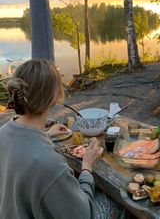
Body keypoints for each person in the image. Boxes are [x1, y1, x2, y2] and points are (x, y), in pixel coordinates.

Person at [0, 59, 123, 219]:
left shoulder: (3, 132)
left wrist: (45, 134)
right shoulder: (49, 164)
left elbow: (22, 148)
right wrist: (86, 167)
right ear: (54, 96)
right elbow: (83, 215)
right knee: (117, 202)